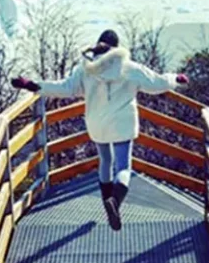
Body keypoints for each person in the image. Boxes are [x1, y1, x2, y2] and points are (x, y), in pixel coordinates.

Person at [11, 29, 188, 231]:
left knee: (105, 160)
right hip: (123, 123)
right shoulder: (129, 68)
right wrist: (176, 79)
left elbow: (65, 88)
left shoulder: (86, 69)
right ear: (117, 46)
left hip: (97, 124)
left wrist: (33, 85)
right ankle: (115, 201)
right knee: (123, 167)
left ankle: (106, 202)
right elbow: (156, 82)